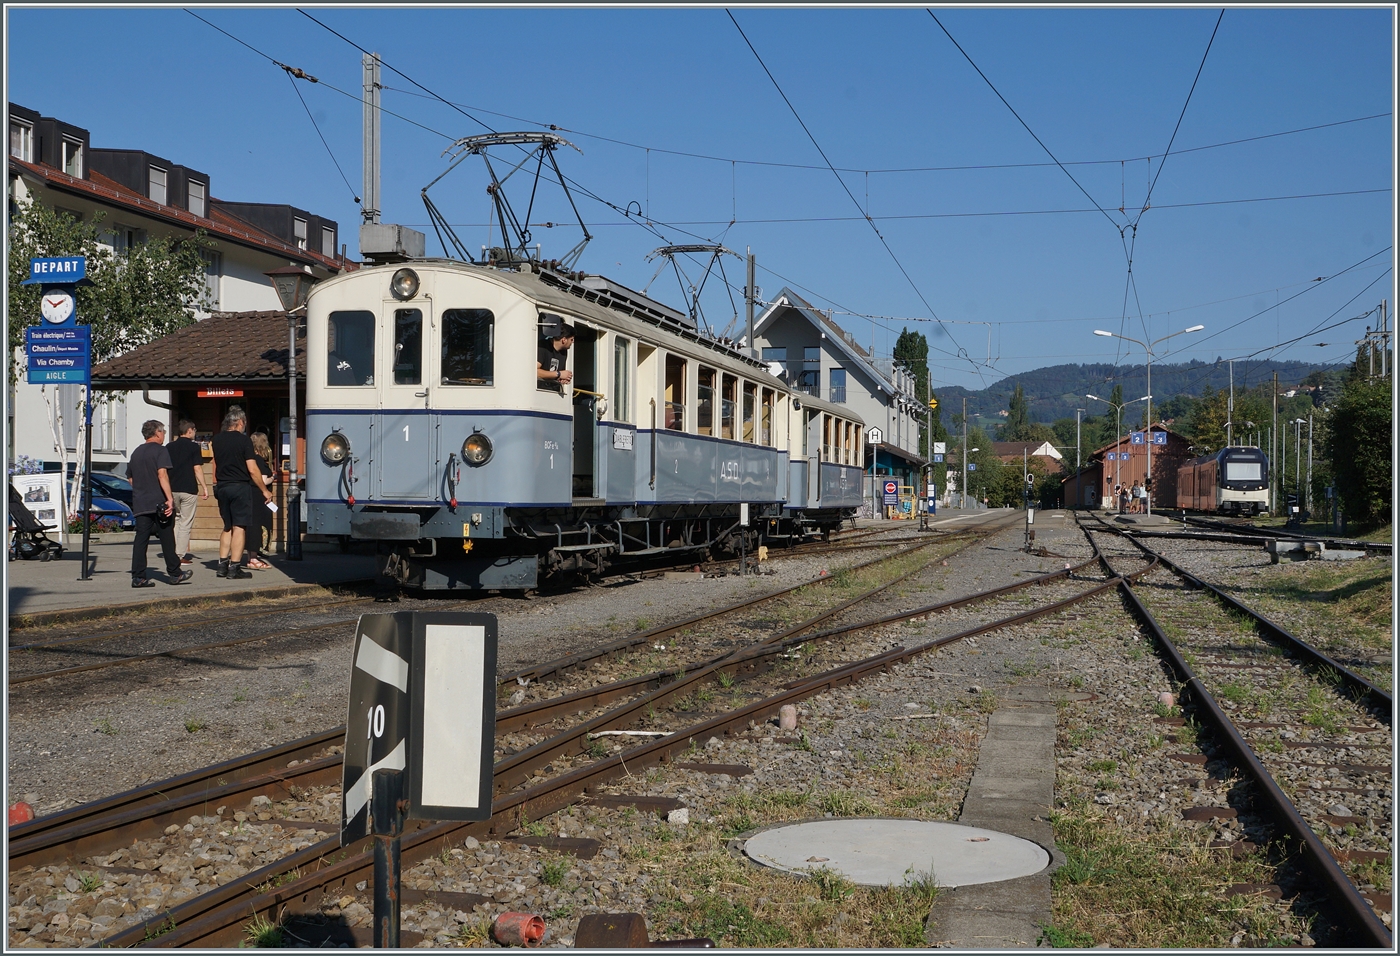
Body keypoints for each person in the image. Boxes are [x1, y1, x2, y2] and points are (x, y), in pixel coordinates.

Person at [129, 420, 194, 588]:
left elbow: (131, 478)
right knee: (166, 537)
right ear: (157, 433)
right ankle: (175, 573)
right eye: (163, 432)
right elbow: (162, 474)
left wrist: (141, 489)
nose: (164, 434)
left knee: (141, 539)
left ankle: (138, 576)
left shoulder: (136, 452)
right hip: (158, 502)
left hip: (141, 501)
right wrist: (169, 499)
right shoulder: (160, 450)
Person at [211, 407, 274, 580]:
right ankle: (235, 567)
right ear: (239, 422)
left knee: (227, 526)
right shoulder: (244, 441)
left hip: (222, 485)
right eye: (244, 423)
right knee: (239, 526)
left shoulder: (216, 440)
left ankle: (222, 564)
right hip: (239, 486)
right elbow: (253, 470)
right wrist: (264, 490)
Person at [166, 419, 209, 565]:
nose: (195, 433)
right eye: (194, 430)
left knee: (176, 520)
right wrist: (204, 486)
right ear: (189, 430)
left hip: (172, 488)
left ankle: (173, 553)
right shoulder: (193, 447)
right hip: (188, 488)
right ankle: (180, 555)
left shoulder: (169, 447)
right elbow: (197, 468)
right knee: (186, 522)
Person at [246, 431, 276, 570]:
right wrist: (273, 477)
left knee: (252, 525)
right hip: (259, 496)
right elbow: (263, 480)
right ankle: (253, 557)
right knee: (258, 526)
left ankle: (250, 557)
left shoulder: (250, 459)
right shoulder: (258, 460)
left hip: (250, 495)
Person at [536, 323, 575, 392]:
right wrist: (559, 374)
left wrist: (563, 379)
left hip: (554, 392)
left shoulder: (564, 352)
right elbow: (535, 371)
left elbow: (559, 374)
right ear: (564, 340)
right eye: (571, 339)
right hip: (539, 391)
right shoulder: (543, 346)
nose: (573, 342)